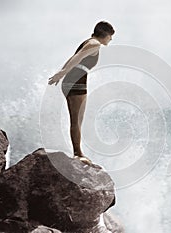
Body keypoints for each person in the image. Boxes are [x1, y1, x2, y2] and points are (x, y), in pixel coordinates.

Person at [48, 21, 115, 165]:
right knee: (76, 120)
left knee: (77, 120)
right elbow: (76, 59)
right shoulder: (94, 44)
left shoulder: (90, 42)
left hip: (74, 81)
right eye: (110, 36)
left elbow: (73, 58)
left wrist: (62, 73)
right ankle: (77, 153)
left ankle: (78, 152)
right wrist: (61, 74)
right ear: (105, 34)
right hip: (76, 82)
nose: (111, 39)